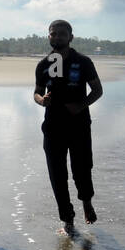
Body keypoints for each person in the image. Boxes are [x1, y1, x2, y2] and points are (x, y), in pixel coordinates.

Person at [32, 19, 103, 236]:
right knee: (57, 175)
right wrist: (42, 100)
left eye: (63, 34)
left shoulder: (83, 62)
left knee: (82, 169)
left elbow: (98, 90)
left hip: (79, 125)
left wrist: (80, 105)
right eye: (54, 33)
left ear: (71, 37)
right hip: (52, 127)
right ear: (49, 37)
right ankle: (68, 219)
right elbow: (36, 92)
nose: (58, 37)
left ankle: (86, 202)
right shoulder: (44, 65)